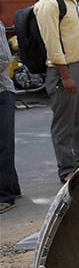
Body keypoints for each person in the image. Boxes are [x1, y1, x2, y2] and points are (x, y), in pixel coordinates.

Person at [35, 0, 79, 183]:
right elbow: (52, 43)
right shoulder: (50, 3)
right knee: (64, 124)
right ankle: (67, 170)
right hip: (64, 71)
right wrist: (65, 75)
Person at [0, 21, 20, 213]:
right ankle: (13, 188)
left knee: (3, 146)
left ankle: (6, 196)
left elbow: (4, 58)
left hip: (2, 92)